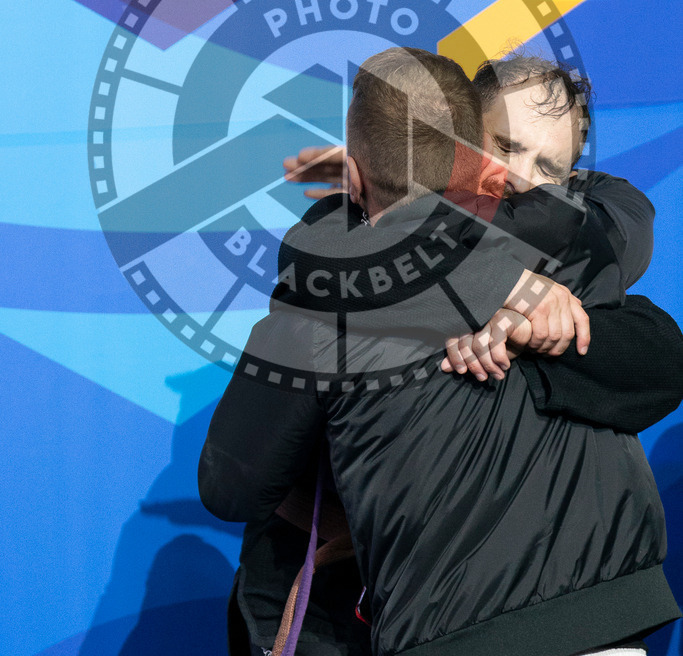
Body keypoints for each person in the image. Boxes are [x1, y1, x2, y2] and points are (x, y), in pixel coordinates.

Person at [199, 48, 682, 656]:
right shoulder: (344, 264)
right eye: (504, 148)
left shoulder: (584, 255)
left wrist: (531, 324)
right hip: (374, 613)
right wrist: (497, 285)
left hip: (572, 619)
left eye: (549, 168)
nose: (522, 180)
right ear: (453, 138)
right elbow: (334, 242)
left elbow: (656, 336)